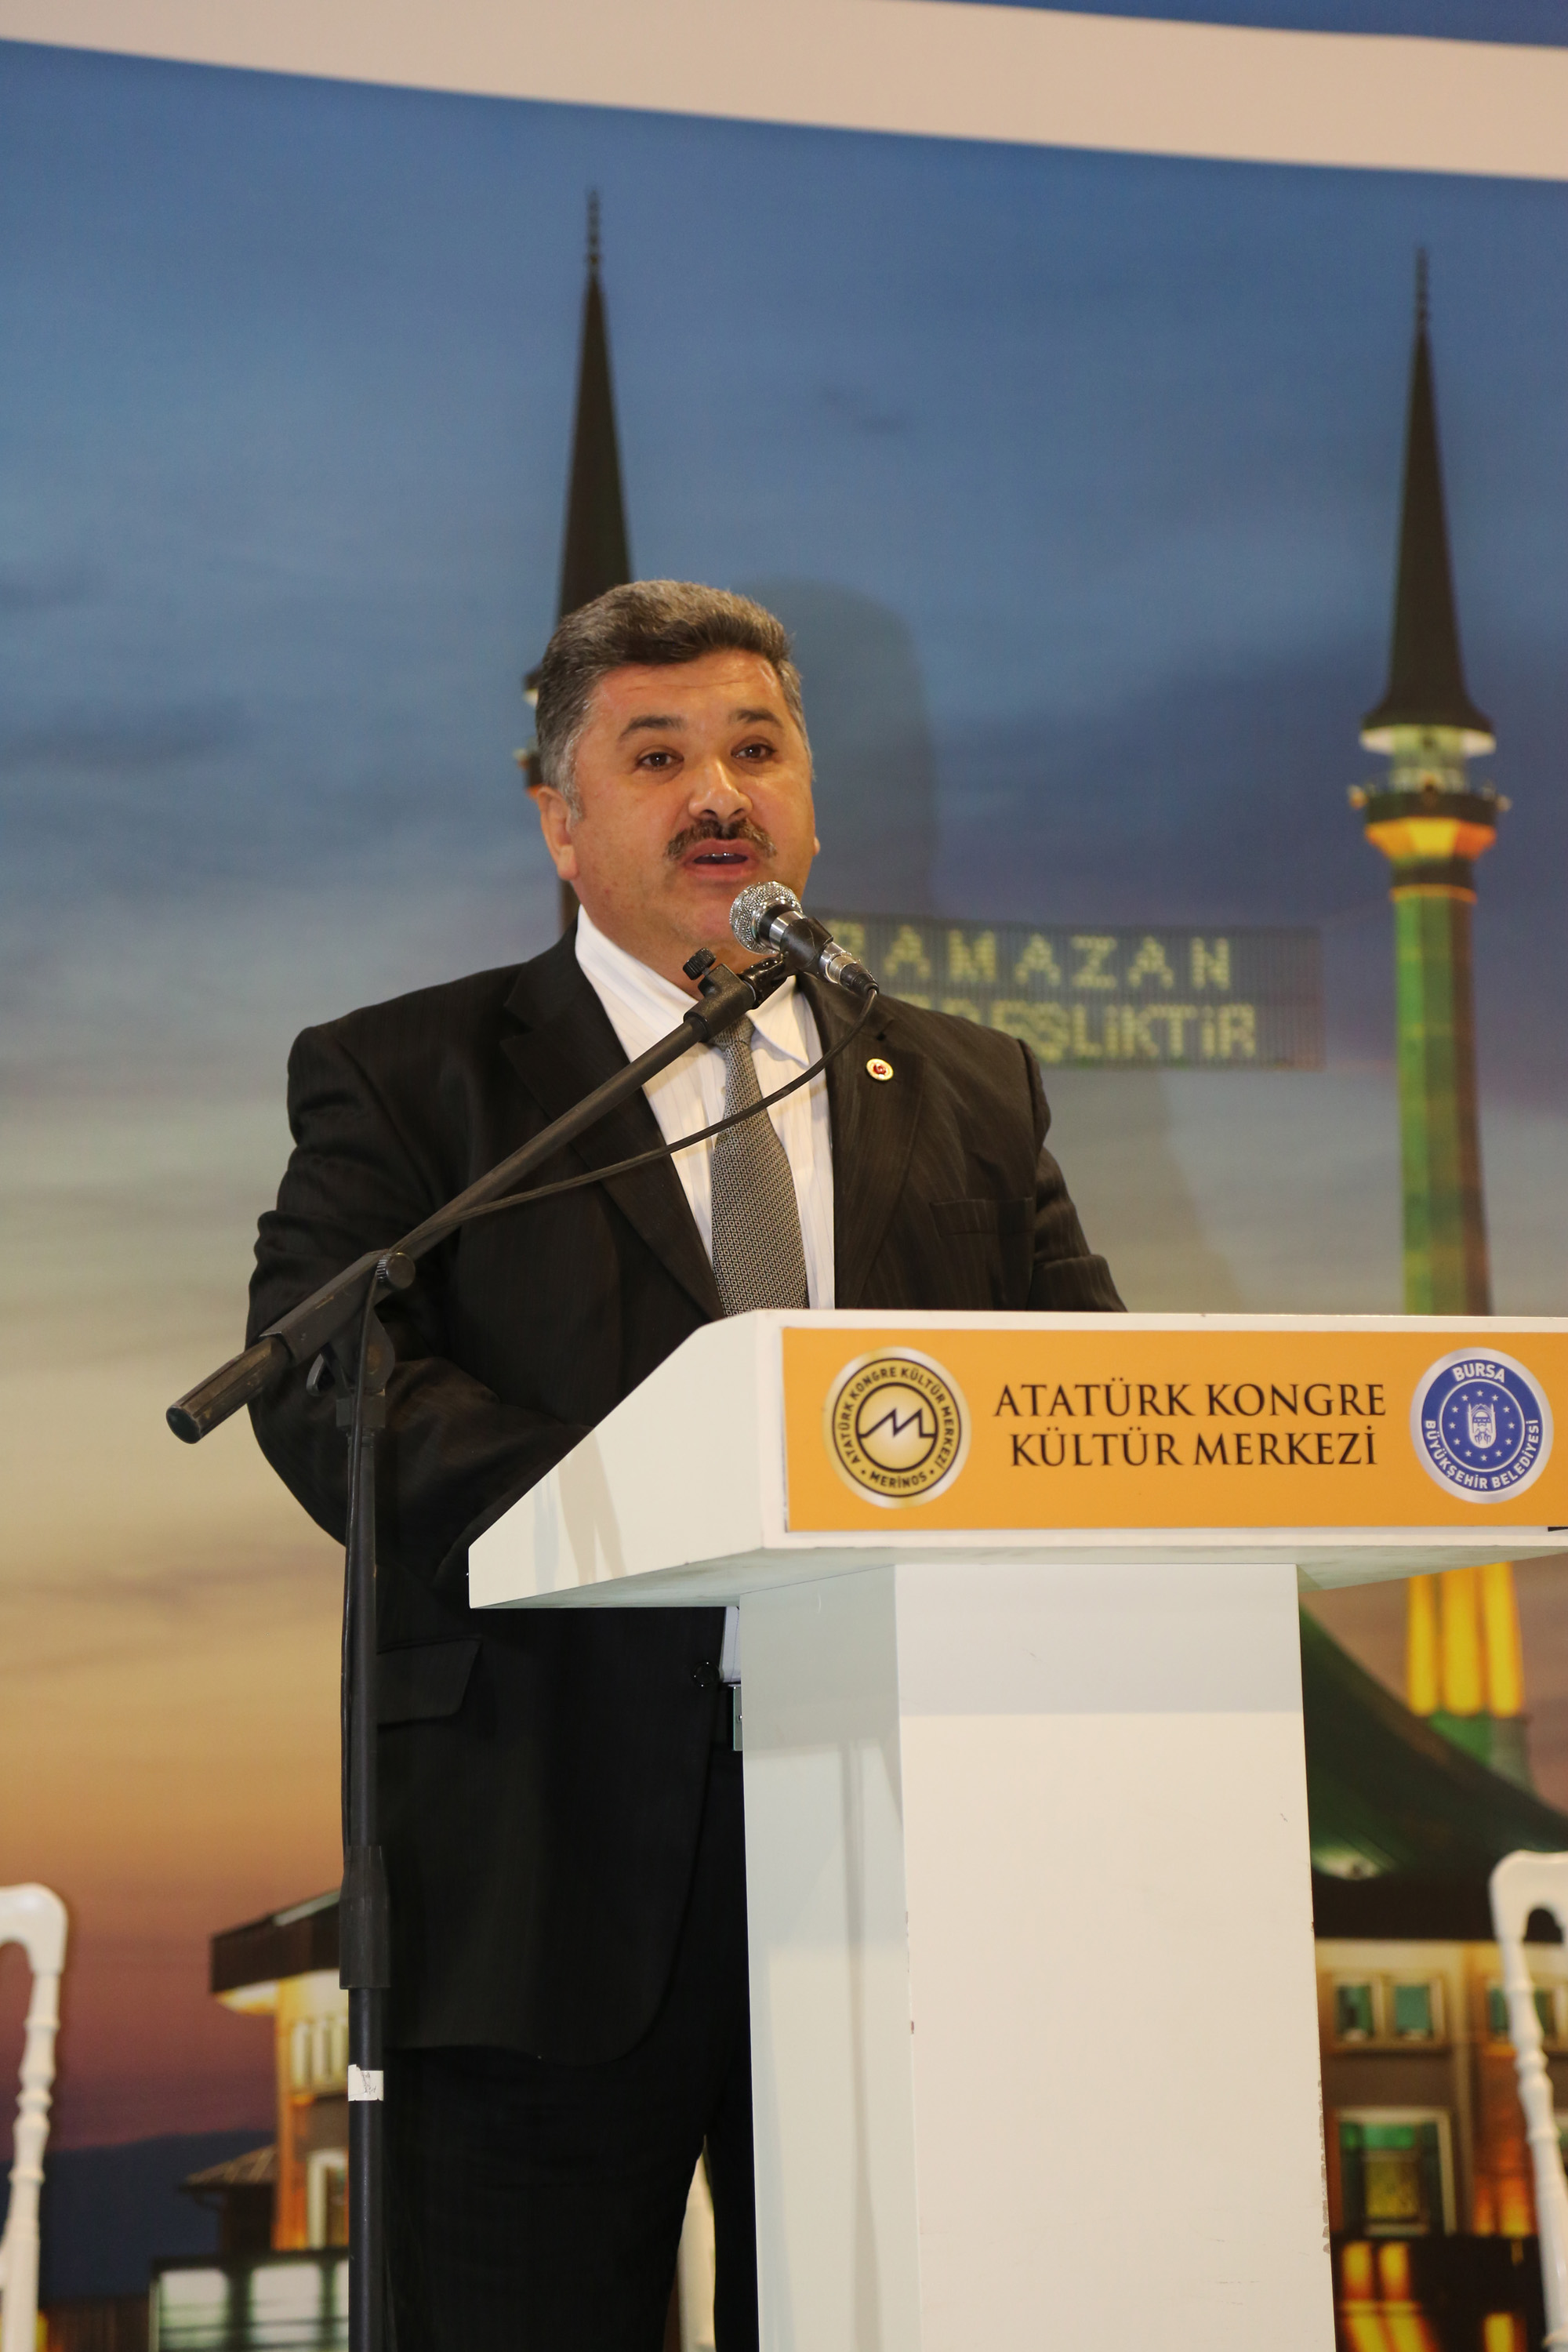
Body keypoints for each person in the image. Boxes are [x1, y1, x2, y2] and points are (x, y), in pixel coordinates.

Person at [247, 580, 1123, 2350]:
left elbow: (1082, 1401)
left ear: (811, 801)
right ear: (559, 824)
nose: (719, 793)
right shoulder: (413, 1079)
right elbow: (331, 1384)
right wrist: (661, 1501)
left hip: (906, 1860)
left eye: (756, 749)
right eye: (656, 758)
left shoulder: (969, 1086)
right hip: (540, 1866)